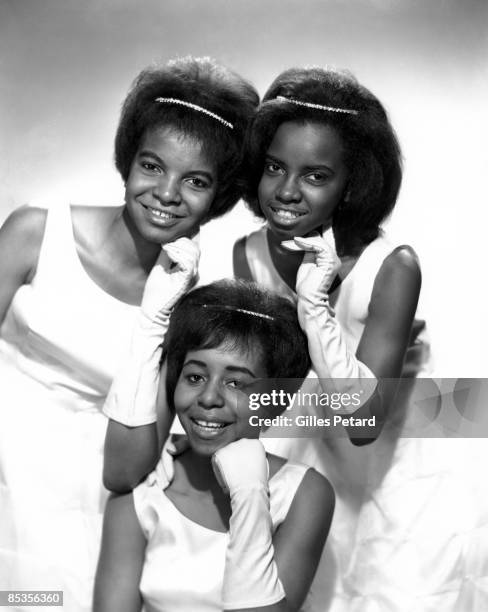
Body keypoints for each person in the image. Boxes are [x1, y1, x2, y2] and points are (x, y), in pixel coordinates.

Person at [0, 57, 258, 611]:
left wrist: (159, 314)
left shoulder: (195, 305)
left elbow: (132, 463)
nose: (166, 193)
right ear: (127, 161)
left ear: (217, 198)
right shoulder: (34, 232)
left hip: (98, 493)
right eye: (151, 166)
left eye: (194, 181)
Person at [232, 67, 434, 610]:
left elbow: (364, 423)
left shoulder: (392, 267)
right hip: (298, 468)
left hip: (385, 477)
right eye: (275, 167)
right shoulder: (246, 255)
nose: (286, 191)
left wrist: (314, 305)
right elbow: (263, 388)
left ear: (353, 184)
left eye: (316, 175)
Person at [94, 280, 335, 612]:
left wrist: (250, 495)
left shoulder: (303, 494)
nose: (208, 398)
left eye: (236, 383)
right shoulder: (143, 491)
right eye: (194, 377)